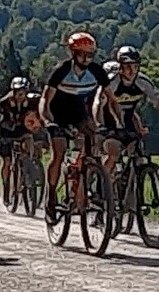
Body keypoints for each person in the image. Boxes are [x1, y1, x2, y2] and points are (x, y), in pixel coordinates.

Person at [39, 31, 109, 209]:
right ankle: (51, 195)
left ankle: (88, 182)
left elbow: (111, 100)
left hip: (78, 112)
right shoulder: (61, 71)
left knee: (93, 145)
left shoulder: (97, 71)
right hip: (57, 113)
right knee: (59, 152)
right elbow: (45, 100)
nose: (86, 59)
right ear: (72, 53)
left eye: (90, 55)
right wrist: (48, 121)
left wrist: (112, 124)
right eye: (82, 55)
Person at [98, 46, 159, 174]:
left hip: (128, 118)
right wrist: (99, 125)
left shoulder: (142, 81)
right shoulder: (112, 81)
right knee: (114, 153)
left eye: (135, 66)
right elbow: (98, 103)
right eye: (127, 66)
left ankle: (133, 185)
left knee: (138, 153)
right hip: (108, 119)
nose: (131, 71)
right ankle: (102, 186)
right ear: (120, 67)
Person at [0, 77, 37, 203]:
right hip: (6, 132)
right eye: (18, 92)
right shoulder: (4, 103)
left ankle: (29, 167)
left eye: (24, 92)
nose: (21, 95)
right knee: (7, 161)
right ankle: (6, 187)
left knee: (29, 139)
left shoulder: (32, 101)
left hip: (23, 130)